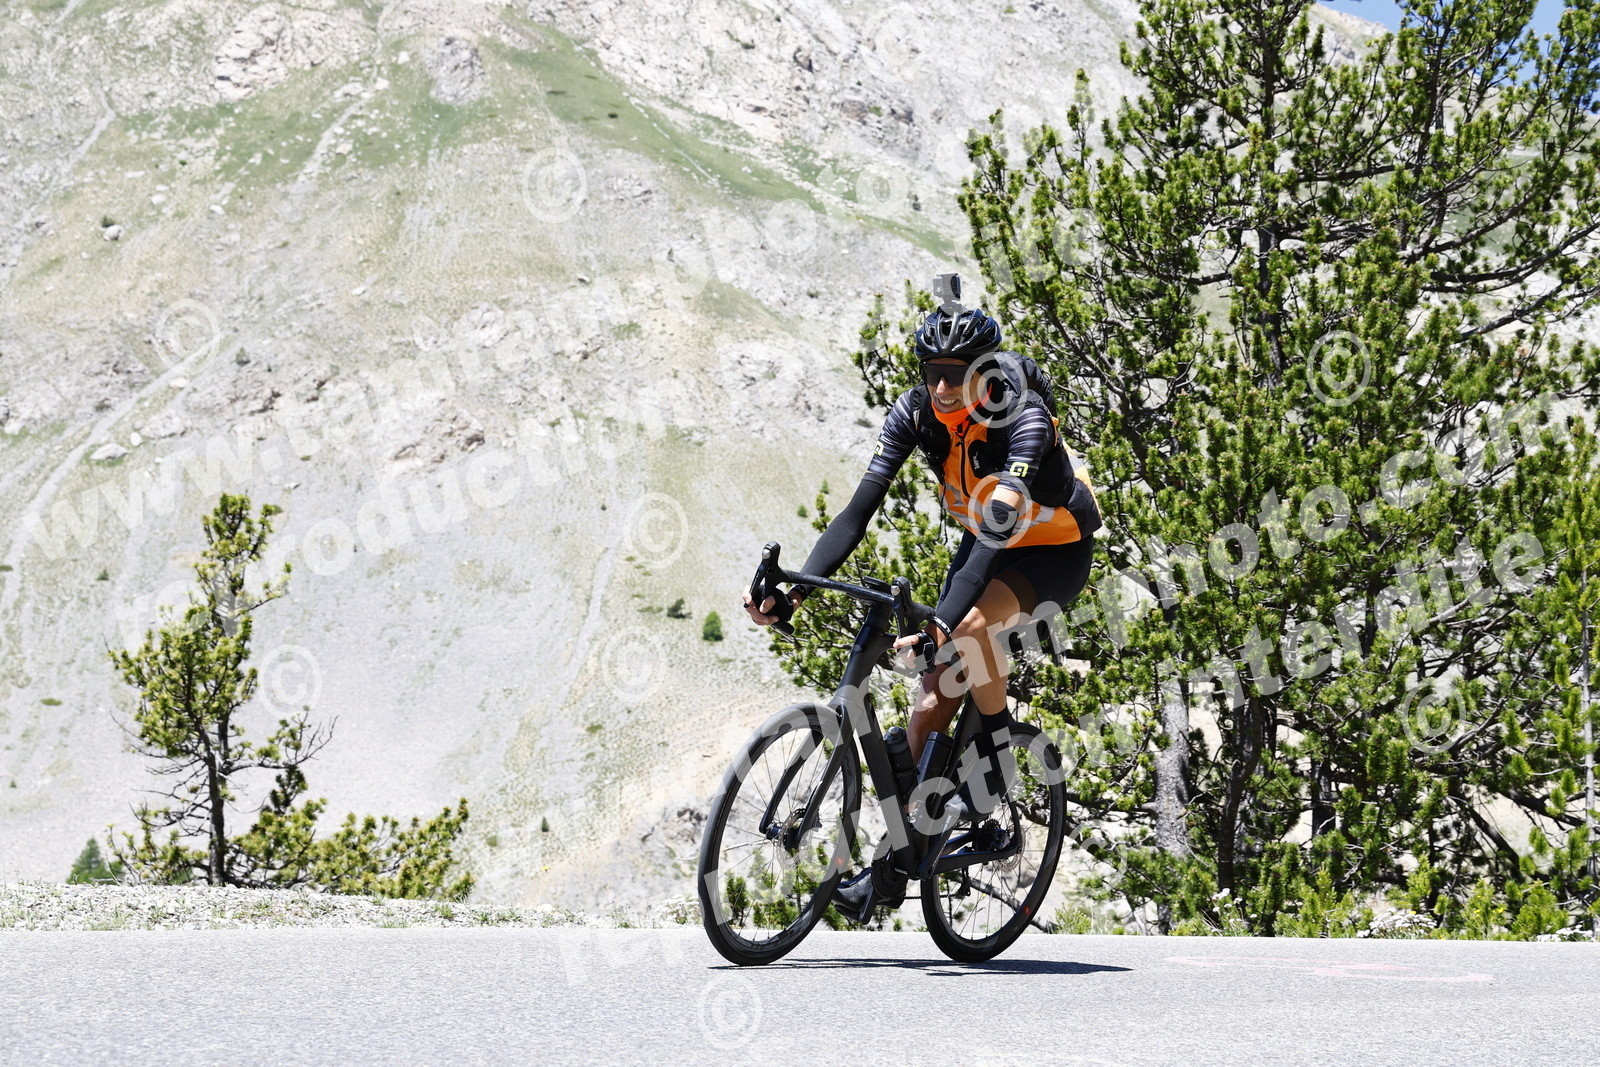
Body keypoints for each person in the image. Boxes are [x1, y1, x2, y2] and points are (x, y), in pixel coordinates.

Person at [742, 274, 1102, 921]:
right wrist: (794, 593)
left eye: (956, 375)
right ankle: (892, 867)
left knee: (965, 629)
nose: (941, 388)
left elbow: (996, 535)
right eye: (933, 373)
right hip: (985, 537)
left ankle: (995, 760)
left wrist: (940, 626)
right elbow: (858, 511)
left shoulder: (1020, 419)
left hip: (1051, 548)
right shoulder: (915, 414)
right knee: (932, 699)